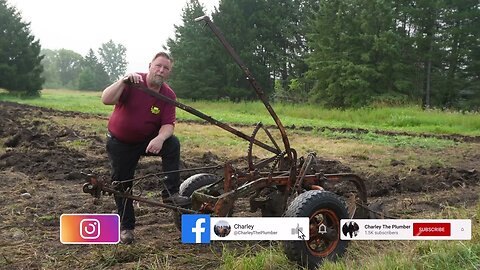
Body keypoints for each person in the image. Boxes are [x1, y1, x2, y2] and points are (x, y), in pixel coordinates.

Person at [101, 52, 190, 244]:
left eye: (166, 68)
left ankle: (170, 193)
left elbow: (168, 124)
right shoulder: (133, 82)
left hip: (146, 140)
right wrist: (123, 81)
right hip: (120, 143)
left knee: (172, 143)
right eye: (158, 66)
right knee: (122, 183)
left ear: (169, 72)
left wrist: (160, 138)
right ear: (150, 65)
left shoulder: (168, 95)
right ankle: (127, 228)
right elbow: (106, 99)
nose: (161, 70)